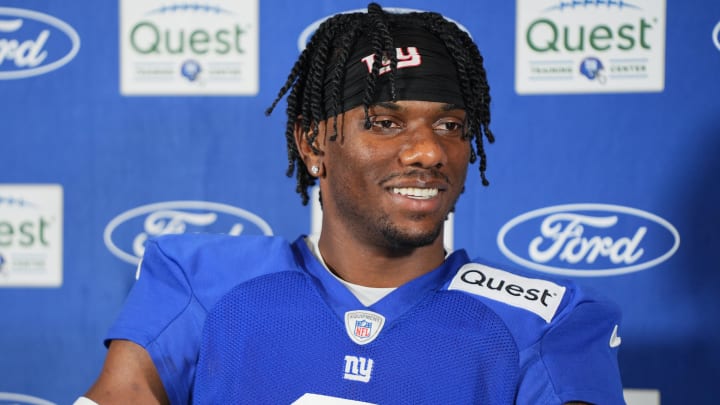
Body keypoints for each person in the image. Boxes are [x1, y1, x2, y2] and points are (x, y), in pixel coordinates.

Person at [78, 3, 625, 404]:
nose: (429, 151)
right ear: (313, 144)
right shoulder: (200, 281)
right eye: (386, 123)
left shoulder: (547, 317)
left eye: (451, 126)